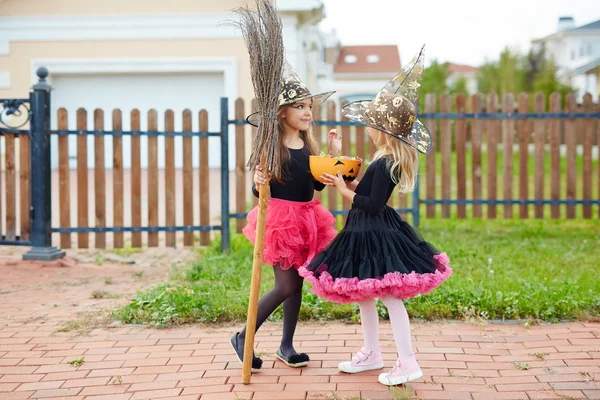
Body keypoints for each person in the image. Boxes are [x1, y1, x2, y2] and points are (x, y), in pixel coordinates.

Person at [299, 46, 453, 386]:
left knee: (387, 296)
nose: (367, 128)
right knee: (365, 293)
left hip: (374, 232)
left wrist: (343, 190)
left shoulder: (386, 161)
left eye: (370, 123)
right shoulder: (382, 159)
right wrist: (348, 178)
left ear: (383, 130)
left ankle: (408, 361)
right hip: (364, 231)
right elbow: (369, 194)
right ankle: (372, 352)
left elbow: (371, 204)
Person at [231, 63, 342, 370]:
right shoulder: (273, 147)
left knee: (298, 283)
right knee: (285, 286)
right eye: (299, 107)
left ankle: (287, 345)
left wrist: (331, 156)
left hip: (308, 219)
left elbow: (319, 183)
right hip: (281, 221)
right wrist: (258, 181)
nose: (307, 112)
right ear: (282, 112)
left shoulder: (309, 145)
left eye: (309, 107)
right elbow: (259, 192)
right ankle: (243, 336)